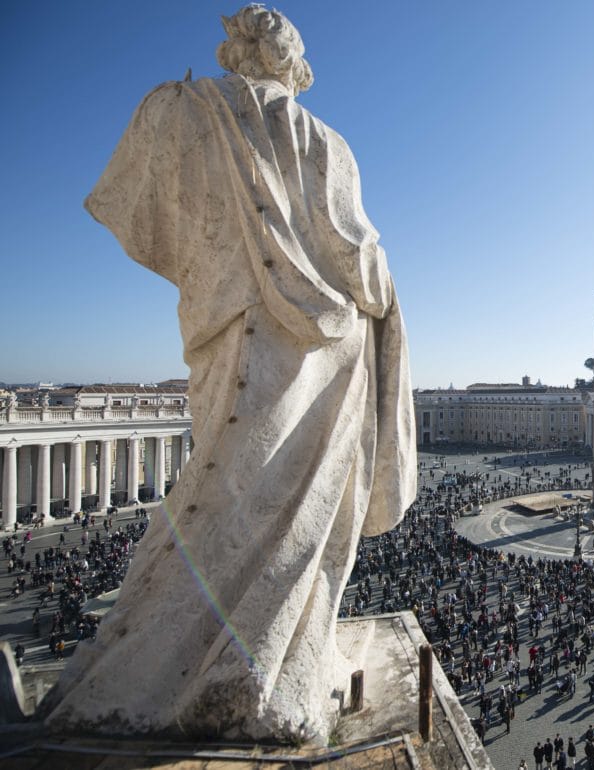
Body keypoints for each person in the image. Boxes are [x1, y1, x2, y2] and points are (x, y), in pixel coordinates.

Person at [44, 4, 416, 744]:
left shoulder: (174, 111)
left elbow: (140, 214)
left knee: (224, 485)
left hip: (224, 326)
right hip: (321, 351)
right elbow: (357, 258)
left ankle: (170, 663)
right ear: (294, 65)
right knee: (298, 513)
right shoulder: (323, 142)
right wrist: (390, 300)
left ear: (234, 51)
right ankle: (268, 668)